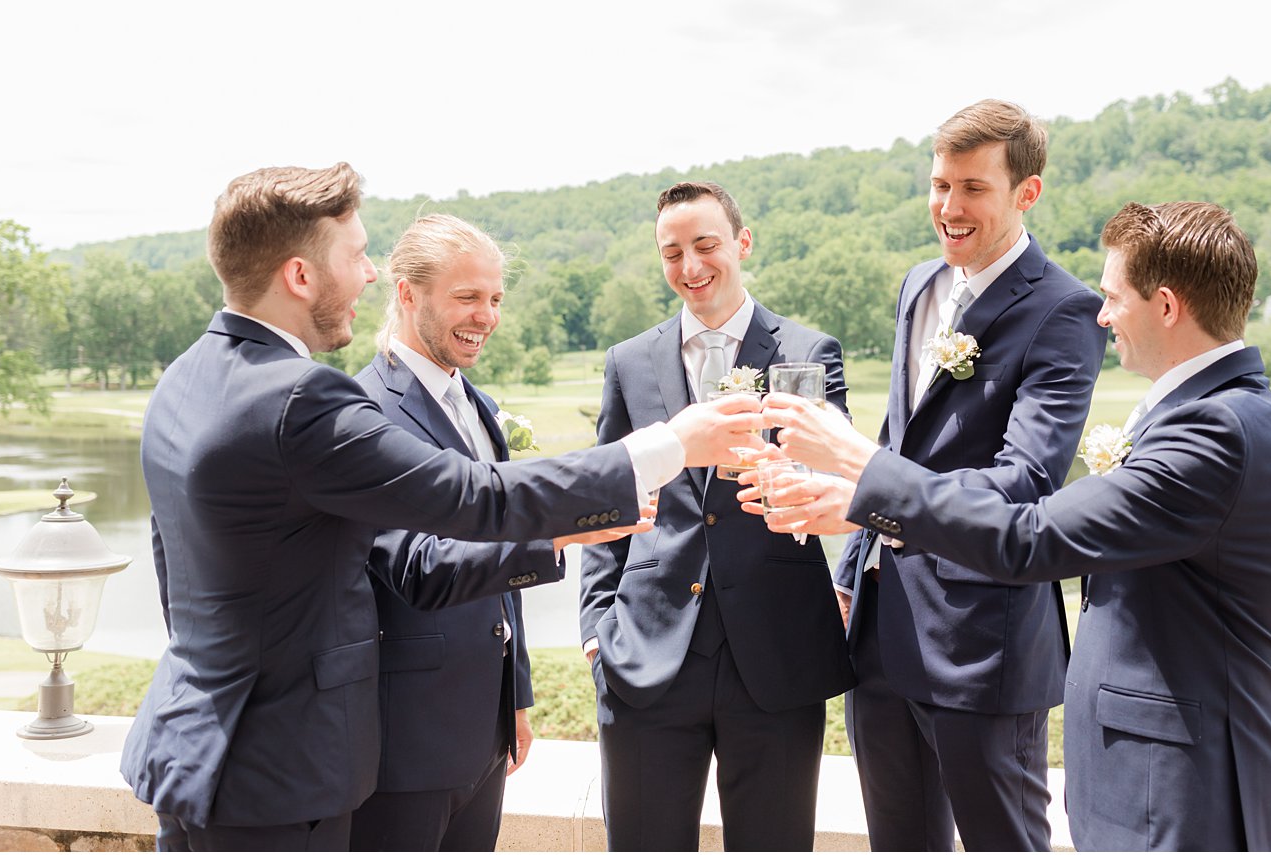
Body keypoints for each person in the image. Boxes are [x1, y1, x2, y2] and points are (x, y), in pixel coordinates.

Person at [120, 163, 761, 852]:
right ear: (301, 275)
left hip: (190, 749)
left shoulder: (183, 379)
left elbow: (172, 571)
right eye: (356, 254)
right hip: (280, 772)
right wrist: (669, 443)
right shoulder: (303, 399)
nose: (368, 273)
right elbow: (472, 497)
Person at [757, 201, 1271, 851]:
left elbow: (1029, 536)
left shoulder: (1215, 432)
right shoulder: (1211, 411)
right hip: (1153, 781)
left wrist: (861, 463)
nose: (1103, 315)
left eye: (1113, 296)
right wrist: (864, 502)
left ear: (1166, 305)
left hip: (1181, 791)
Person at [830, 100, 1105, 851]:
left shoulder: (1064, 311)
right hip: (883, 630)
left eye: (973, 189)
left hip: (984, 642)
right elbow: (901, 436)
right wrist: (853, 565)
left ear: (1027, 193)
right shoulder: (919, 285)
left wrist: (865, 492)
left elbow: (1024, 483)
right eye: (938, 183)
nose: (948, 208)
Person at [578, 181, 855, 851]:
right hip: (645, 655)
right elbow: (604, 493)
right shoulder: (629, 361)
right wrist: (595, 627)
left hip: (777, 658)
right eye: (672, 252)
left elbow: (846, 479)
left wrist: (841, 570)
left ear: (742, 242)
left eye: (705, 245)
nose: (690, 266)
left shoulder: (808, 352)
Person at [348, 215, 558, 851]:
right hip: (405, 743)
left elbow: (496, 564)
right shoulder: (365, 413)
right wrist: (562, 532)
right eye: (467, 297)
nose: (486, 316)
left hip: (484, 734)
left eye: (495, 298)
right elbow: (413, 564)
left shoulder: (482, 406)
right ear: (406, 292)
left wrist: (514, 694)